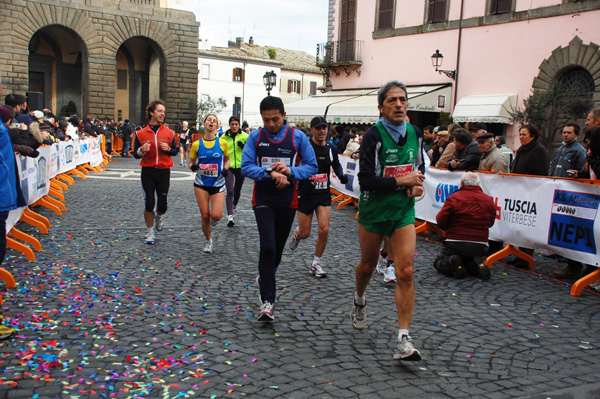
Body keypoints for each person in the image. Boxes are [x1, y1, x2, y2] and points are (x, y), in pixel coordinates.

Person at [351, 81, 425, 361]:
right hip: (374, 212)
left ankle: (403, 339)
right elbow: (366, 180)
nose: (399, 104)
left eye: (403, 100)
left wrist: (417, 185)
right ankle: (359, 300)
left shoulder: (415, 133)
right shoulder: (373, 136)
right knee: (368, 265)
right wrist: (401, 180)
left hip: (403, 212)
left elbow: (420, 170)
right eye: (392, 100)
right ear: (381, 106)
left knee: (405, 271)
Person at [241, 96, 318, 322]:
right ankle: (267, 302)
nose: (271, 124)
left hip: (288, 200)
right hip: (263, 198)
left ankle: (265, 276)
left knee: (276, 251)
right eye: (266, 120)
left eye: (275, 119)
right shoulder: (256, 137)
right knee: (268, 245)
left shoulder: (298, 137)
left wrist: (290, 171)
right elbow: (246, 166)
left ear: (284, 116)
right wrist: (269, 172)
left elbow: (311, 166)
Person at [288, 116, 348, 277]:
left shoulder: (331, 148)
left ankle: (316, 263)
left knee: (324, 229)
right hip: (306, 194)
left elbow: (335, 164)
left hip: (323, 194)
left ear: (328, 130)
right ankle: (297, 234)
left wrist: (341, 175)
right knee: (305, 233)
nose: (322, 131)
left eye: (324, 128)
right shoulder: (305, 148)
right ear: (312, 130)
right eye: (318, 128)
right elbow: (295, 164)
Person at [434, 172, 496, 280]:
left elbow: (440, 220)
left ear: (462, 183)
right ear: (478, 184)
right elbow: (490, 223)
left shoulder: (454, 198)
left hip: (456, 242)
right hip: (480, 244)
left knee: (439, 262)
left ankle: (453, 262)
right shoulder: (489, 200)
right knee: (468, 257)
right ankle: (474, 265)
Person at [132, 100, 178, 245]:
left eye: (164, 112)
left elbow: (175, 151)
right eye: (160, 111)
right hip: (148, 171)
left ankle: (158, 216)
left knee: (163, 205)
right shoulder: (140, 133)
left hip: (164, 172)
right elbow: (135, 153)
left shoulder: (169, 133)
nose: (163, 114)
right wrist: (141, 150)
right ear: (152, 112)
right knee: (149, 202)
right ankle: (150, 232)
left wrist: (169, 149)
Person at [505, 124, 549, 268]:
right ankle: (519, 253)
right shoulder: (522, 150)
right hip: (519, 192)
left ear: (532, 136)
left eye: (524, 134)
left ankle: (526, 256)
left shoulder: (539, 151)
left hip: (531, 193)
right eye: (520, 134)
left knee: (527, 224)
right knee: (519, 224)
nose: (521, 137)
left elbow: (540, 174)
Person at [189, 114, 230, 253]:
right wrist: (193, 167)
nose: (211, 122)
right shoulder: (196, 144)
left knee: (217, 215)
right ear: (204, 123)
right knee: (205, 215)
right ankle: (208, 241)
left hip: (218, 182)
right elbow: (191, 163)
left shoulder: (222, 143)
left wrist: (226, 169)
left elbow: (227, 160)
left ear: (217, 125)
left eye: (214, 121)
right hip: (201, 182)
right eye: (209, 120)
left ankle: (213, 221)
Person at [221, 115, 249, 227]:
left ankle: (234, 204)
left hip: (241, 167)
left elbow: (252, 150)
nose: (234, 126)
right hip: (229, 167)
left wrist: (244, 147)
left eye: (236, 124)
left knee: (237, 191)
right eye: (232, 124)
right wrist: (222, 167)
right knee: (230, 191)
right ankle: (230, 217)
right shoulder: (223, 138)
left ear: (239, 125)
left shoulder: (245, 136)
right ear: (229, 125)